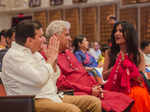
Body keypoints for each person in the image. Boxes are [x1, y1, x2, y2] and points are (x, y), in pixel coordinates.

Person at [1, 20, 102, 112]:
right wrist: (50, 60)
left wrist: (54, 61)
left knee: (93, 102)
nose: (43, 39)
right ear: (29, 40)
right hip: (33, 100)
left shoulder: (35, 53)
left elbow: (52, 79)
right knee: (72, 110)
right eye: (40, 36)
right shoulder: (13, 56)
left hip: (52, 95)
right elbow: (39, 79)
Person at [46, 20, 134, 112]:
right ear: (55, 37)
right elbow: (62, 83)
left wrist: (96, 86)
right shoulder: (50, 56)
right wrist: (90, 90)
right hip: (75, 93)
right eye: (67, 35)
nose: (70, 38)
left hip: (91, 89)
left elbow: (83, 73)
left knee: (122, 98)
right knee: (108, 107)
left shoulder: (68, 52)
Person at [103, 21, 150, 112]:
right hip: (115, 87)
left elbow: (140, 77)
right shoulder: (109, 52)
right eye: (115, 31)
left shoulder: (137, 53)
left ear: (129, 34)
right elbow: (104, 76)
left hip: (133, 87)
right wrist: (117, 66)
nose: (117, 34)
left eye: (121, 31)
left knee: (139, 94)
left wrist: (128, 66)